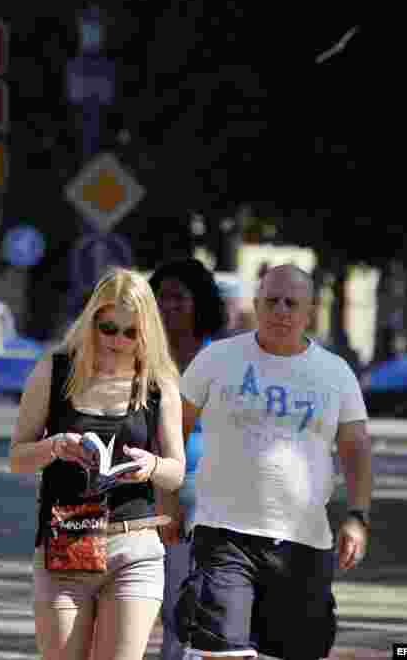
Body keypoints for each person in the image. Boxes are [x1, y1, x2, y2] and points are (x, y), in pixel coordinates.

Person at [175, 264, 373, 659]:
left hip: (303, 543)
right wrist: (167, 498)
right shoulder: (217, 359)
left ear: (310, 311)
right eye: (272, 301)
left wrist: (357, 515)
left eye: (292, 303)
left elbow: (355, 448)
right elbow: (173, 429)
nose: (281, 310)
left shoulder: (334, 373)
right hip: (223, 534)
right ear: (256, 304)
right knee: (220, 653)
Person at [9, 267, 185, 660]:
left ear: (147, 333)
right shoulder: (56, 371)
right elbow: (17, 457)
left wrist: (152, 466)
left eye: (130, 332)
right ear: (91, 322)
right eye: (108, 328)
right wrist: (54, 446)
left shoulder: (157, 386)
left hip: (135, 546)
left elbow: (176, 473)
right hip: (67, 540)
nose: (117, 340)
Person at [148, 258, 226, 660]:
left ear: (201, 303)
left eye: (179, 297)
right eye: (160, 296)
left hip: (207, 500)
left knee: (189, 606)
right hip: (144, 495)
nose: (168, 305)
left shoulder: (223, 361)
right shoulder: (139, 358)